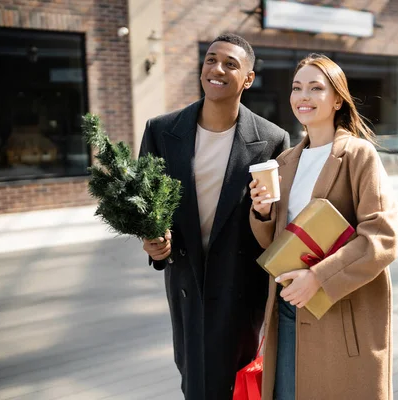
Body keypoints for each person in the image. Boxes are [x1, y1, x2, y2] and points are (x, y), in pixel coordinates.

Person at [140, 33, 290, 400]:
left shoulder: (272, 139)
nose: (217, 69)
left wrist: (264, 212)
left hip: (241, 285)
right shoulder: (161, 130)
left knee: (238, 380)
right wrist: (152, 240)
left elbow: (276, 223)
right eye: (211, 60)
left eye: (230, 64)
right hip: (186, 276)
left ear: (249, 79)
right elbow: (145, 203)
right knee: (193, 376)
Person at [249, 54, 398, 400]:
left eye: (316, 88)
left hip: (338, 310)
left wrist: (318, 277)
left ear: (336, 100)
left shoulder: (359, 155)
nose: (304, 96)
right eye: (297, 87)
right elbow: (272, 242)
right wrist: (261, 212)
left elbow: (383, 236)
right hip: (288, 307)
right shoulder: (285, 162)